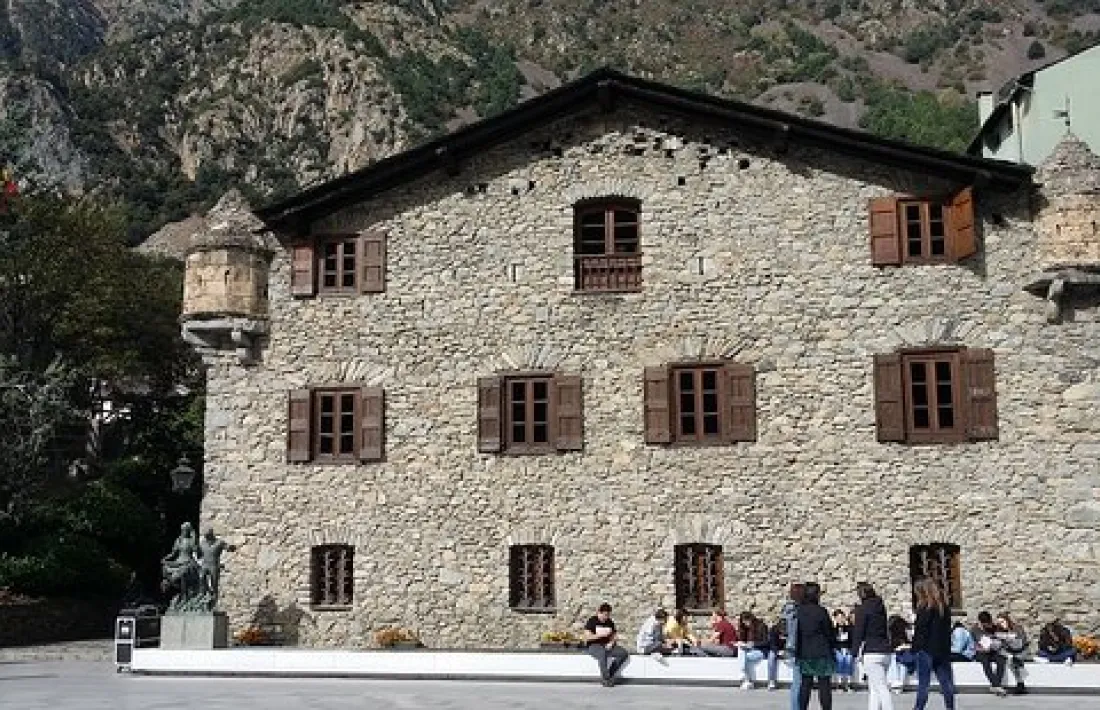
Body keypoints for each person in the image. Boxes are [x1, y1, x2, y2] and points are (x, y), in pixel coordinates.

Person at [911, 577, 956, 710]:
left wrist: (914, 648)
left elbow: (921, 631)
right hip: (942, 649)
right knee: (946, 683)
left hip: (926, 649)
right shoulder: (944, 607)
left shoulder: (925, 607)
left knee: (923, 684)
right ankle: (950, 708)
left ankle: (918, 708)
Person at [851, 581, 894, 710]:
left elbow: (859, 632)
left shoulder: (862, 610)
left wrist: (854, 652)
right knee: (874, 688)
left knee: (880, 688)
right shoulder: (880, 607)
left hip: (871, 651)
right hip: (885, 650)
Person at [796, 582, 837, 710]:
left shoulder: (800, 611)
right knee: (824, 685)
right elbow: (829, 632)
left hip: (805, 651)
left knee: (805, 685)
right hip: (822, 651)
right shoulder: (821, 611)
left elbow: (798, 633)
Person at [584, 602, 629, 687]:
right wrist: (601, 635)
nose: (606, 617)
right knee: (602, 653)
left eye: (608, 615)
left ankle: (609, 674)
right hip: (594, 645)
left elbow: (614, 635)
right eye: (604, 615)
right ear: (599, 613)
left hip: (607, 645)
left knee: (623, 653)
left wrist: (611, 643)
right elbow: (588, 637)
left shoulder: (609, 622)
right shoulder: (592, 621)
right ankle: (606, 679)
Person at [972, 611, 1007, 696]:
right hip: (980, 652)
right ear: (981, 623)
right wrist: (986, 645)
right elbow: (979, 644)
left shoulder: (994, 628)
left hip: (992, 651)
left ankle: (995, 685)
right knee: (985, 662)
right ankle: (996, 685)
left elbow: (1000, 639)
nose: (989, 626)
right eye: (986, 624)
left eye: (989, 623)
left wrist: (998, 642)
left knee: (1001, 659)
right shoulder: (975, 630)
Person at [782, 583, 806, 710]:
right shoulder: (798, 609)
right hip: (798, 646)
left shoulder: (786, 609)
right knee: (799, 682)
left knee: (796, 681)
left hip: (789, 646)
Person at [994, 612, 1029, 695]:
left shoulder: (1017, 628)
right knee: (1001, 656)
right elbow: (1000, 645)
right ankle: (997, 685)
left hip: (1021, 650)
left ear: (1007, 620)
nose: (1001, 624)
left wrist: (1011, 640)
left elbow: (1022, 643)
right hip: (1008, 651)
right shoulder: (1000, 631)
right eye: (999, 623)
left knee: (1015, 660)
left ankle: (1020, 684)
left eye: (1002, 622)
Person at [737, 611, 771, 689]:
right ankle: (746, 679)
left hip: (761, 651)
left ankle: (745, 678)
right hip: (750, 650)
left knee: (746, 656)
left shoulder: (761, 626)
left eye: (746, 621)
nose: (745, 623)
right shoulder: (745, 628)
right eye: (743, 622)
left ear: (751, 619)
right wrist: (741, 643)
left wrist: (754, 644)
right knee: (741, 651)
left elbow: (766, 642)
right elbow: (743, 641)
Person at [887, 615, 914, 694]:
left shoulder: (892, 632)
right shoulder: (895, 633)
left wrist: (905, 646)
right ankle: (898, 684)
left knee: (901, 661)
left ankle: (897, 684)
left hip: (901, 654)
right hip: (898, 654)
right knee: (900, 661)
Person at [833, 608, 854, 692]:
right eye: (838, 618)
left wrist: (850, 649)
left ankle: (848, 684)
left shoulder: (849, 628)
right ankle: (839, 683)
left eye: (842, 617)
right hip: (838, 650)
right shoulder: (834, 629)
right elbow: (833, 641)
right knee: (840, 660)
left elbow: (851, 640)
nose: (840, 620)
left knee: (848, 661)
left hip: (847, 649)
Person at [767, 617, 789, 691]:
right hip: (776, 649)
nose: (783, 631)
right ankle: (771, 681)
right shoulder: (774, 630)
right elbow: (772, 644)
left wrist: (786, 650)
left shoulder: (791, 631)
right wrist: (778, 652)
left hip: (788, 649)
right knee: (771, 656)